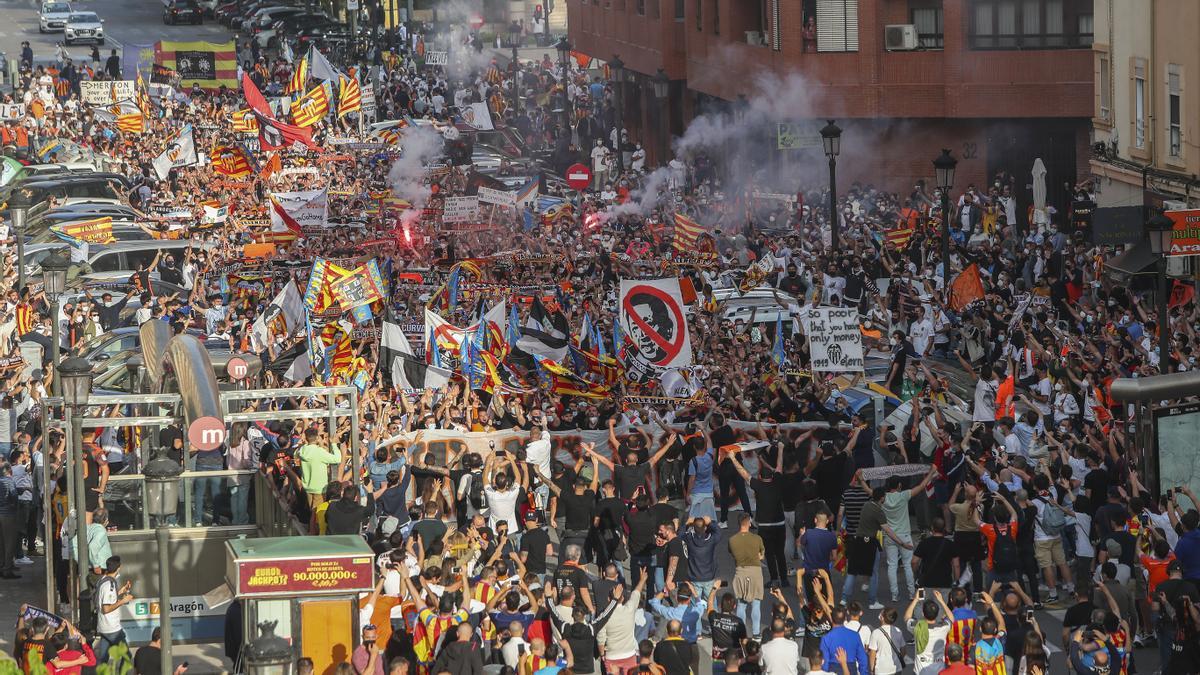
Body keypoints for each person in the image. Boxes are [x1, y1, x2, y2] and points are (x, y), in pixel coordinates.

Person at [728, 512, 765, 636]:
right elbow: (761, 556)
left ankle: (742, 632)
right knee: (756, 603)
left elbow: (732, 553)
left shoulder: (732, 540)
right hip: (755, 572)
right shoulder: (757, 539)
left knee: (741, 604)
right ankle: (756, 633)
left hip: (740, 572)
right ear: (749, 523)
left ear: (739, 523)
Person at [95, 555, 134, 666]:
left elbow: (106, 597)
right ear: (118, 568)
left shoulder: (103, 580)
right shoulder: (110, 585)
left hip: (103, 626)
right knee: (127, 656)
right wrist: (123, 601)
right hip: (112, 628)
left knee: (103, 659)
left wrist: (121, 591)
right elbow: (106, 608)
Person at [819, 605, 869, 675]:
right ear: (845, 618)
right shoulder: (854, 635)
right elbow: (863, 659)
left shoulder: (826, 637)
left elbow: (825, 662)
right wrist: (864, 673)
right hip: (851, 669)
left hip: (833, 669)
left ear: (831, 618)